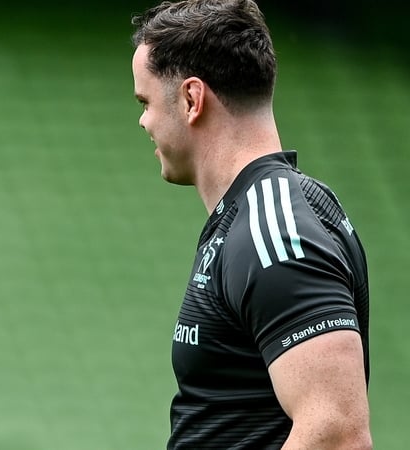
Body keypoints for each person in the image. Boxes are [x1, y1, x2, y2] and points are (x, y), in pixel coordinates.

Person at [130, 1, 371, 449]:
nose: (143, 120)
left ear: (191, 99)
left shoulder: (275, 232)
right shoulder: (263, 213)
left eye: (144, 101)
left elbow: (339, 434)